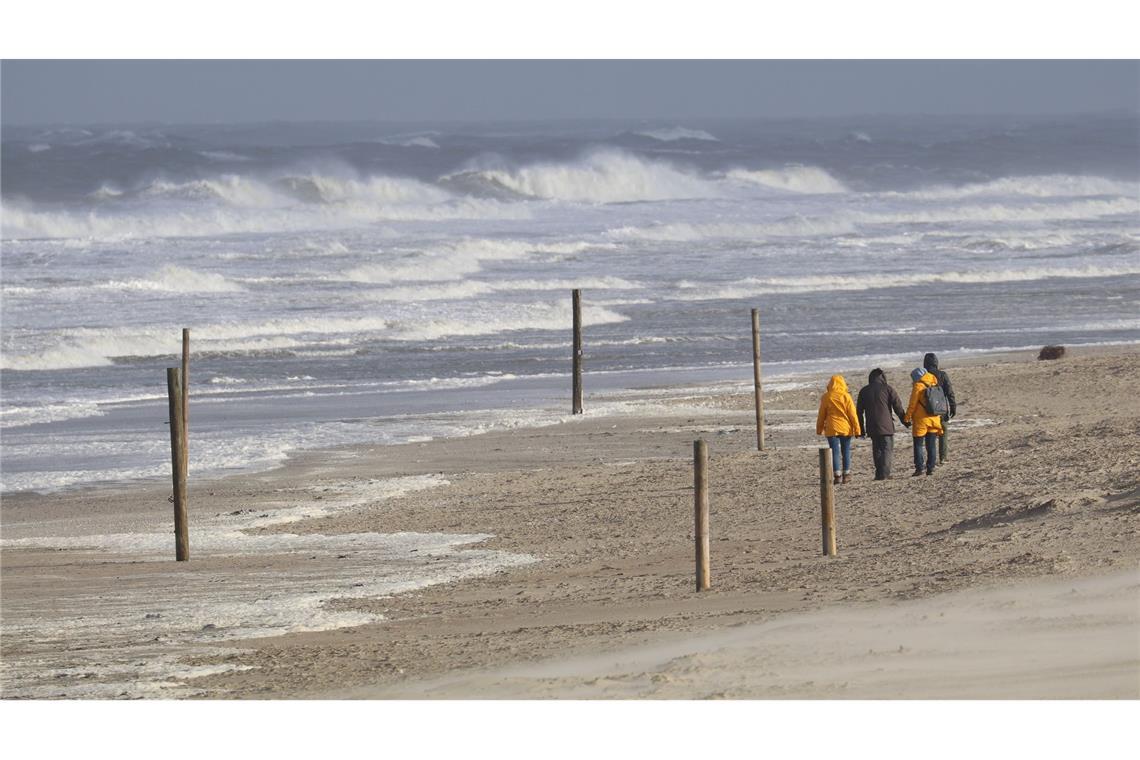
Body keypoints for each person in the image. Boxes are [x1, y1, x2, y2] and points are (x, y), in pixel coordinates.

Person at [856, 368, 909, 480]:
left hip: (871, 425)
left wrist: (860, 429)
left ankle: (879, 473)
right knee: (886, 449)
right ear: (882, 378)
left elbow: (859, 412)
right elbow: (898, 407)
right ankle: (884, 474)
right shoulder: (888, 389)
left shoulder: (864, 391)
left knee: (877, 449)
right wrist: (905, 421)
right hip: (886, 425)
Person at [816, 374, 861, 485]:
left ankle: (837, 476)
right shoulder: (846, 396)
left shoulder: (826, 397)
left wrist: (819, 428)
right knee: (845, 451)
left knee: (834, 452)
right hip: (846, 428)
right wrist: (857, 429)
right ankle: (846, 475)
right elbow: (853, 415)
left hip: (831, 428)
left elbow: (821, 414)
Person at [904, 366, 944, 476]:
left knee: (918, 445)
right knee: (931, 445)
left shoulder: (918, 386)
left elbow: (912, 404)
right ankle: (931, 468)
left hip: (921, 420)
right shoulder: (934, 381)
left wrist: (907, 418)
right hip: (934, 417)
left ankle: (919, 468)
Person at [923, 353, 957, 463]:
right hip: (941, 409)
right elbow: (949, 392)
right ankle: (943, 457)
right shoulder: (942, 375)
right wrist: (953, 406)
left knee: (930, 435)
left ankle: (931, 460)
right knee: (943, 432)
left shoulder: (923, 377)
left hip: (927, 410)